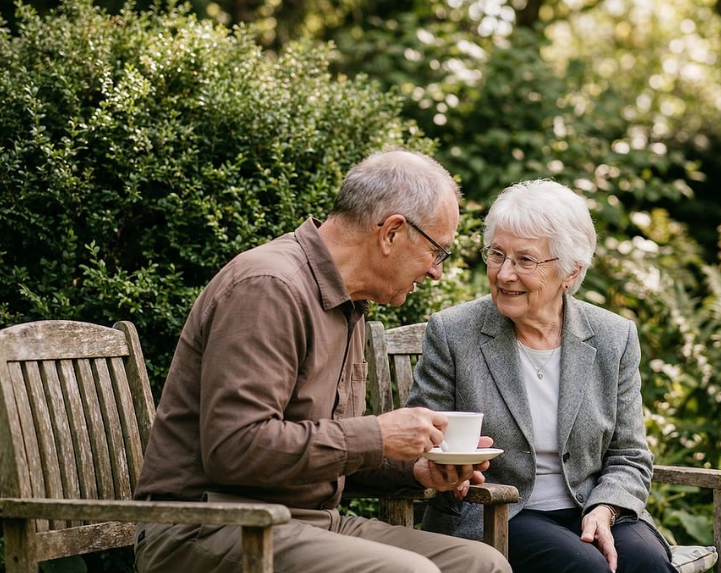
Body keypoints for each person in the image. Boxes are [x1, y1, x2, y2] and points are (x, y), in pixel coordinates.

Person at [133, 149, 511, 573]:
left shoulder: (346, 303)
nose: (437, 272)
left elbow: (321, 448)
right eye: (436, 251)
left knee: (481, 564)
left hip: (307, 522)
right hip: (207, 524)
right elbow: (235, 449)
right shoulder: (269, 287)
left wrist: (419, 468)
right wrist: (377, 436)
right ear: (391, 233)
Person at [406, 179, 677, 573]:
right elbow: (420, 436)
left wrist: (604, 508)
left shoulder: (613, 336)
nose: (504, 274)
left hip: (591, 504)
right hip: (499, 513)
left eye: (525, 260)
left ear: (570, 272)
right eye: (496, 254)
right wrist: (447, 468)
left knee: (646, 563)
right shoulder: (454, 332)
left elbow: (629, 456)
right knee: (584, 566)